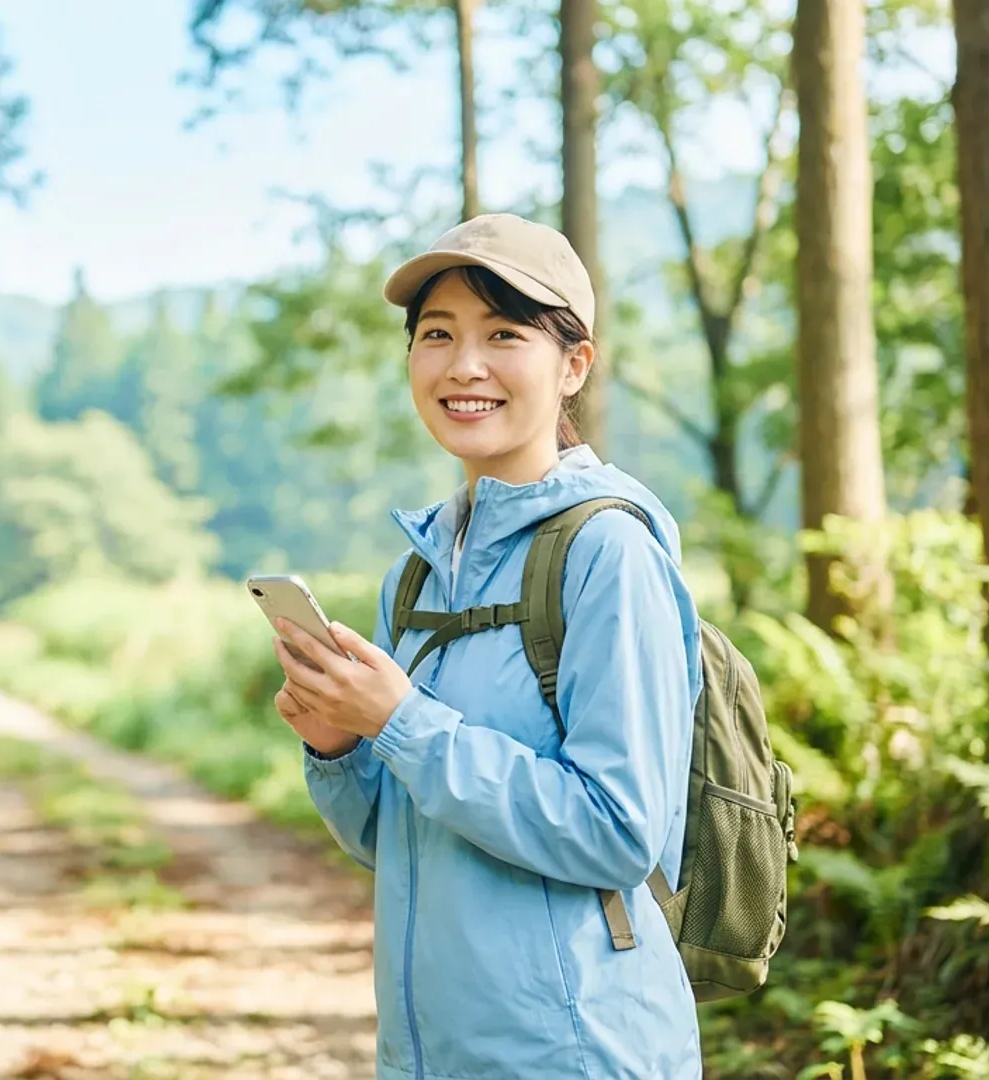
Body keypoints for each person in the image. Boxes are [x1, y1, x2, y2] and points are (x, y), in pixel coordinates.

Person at [269, 213, 703, 1079]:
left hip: (580, 1054)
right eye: (437, 335)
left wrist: (405, 723)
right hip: (430, 1054)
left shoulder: (607, 554)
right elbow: (392, 840)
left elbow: (620, 834)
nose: (464, 365)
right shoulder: (419, 574)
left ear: (574, 364)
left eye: (504, 334)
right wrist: (341, 747)